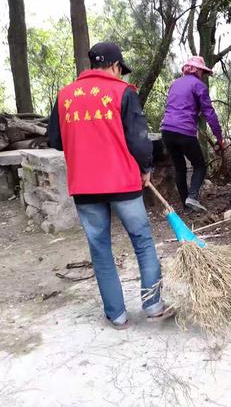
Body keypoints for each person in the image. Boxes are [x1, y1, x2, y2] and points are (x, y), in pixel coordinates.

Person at [48, 41, 172, 329]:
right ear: (116, 66)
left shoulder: (65, 96)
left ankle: (116, 315)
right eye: (120, 70)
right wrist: (146, 169)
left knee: (100, 248)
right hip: (122, 183)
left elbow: (54, 140)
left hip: (84, 188)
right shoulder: (123, 93)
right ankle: (153, 305)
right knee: (142, 241)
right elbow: (140, 140)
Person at [161, 56, 223, 212]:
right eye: (202, 71)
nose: (203, 74)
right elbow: (210, 114)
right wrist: (219, 137)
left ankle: (186, 207)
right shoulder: (198, 85)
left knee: (180, 168)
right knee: (200, 166)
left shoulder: (174, 84)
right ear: (197, 70)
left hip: (167, 131)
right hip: (185, 132)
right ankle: (192, 197)